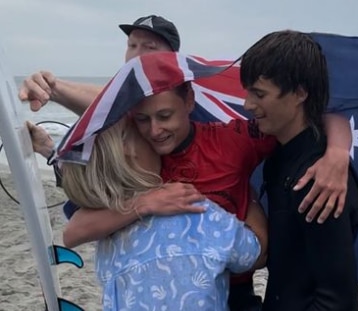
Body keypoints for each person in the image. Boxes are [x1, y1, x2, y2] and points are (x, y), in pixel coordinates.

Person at [19, 14, 353, 225]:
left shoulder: (207, 94)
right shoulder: (128, 121)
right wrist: (52, 87)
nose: (136, 57)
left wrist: (338, 153)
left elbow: (310, 113)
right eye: (131, 46)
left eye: (149, 48)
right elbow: (99, 131)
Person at [57, 113, 268, 311]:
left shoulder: (108, 233)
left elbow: (71, 232)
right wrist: (248, 195)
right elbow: (255, 254)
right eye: (142, 135)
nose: (154, 136)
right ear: (129, 153)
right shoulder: (194, 212)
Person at [240, 30, 358, 310]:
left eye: (259, 94)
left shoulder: (318, 179)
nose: (248, 104)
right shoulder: (279, 155)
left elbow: (337, 302)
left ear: (299, 92)